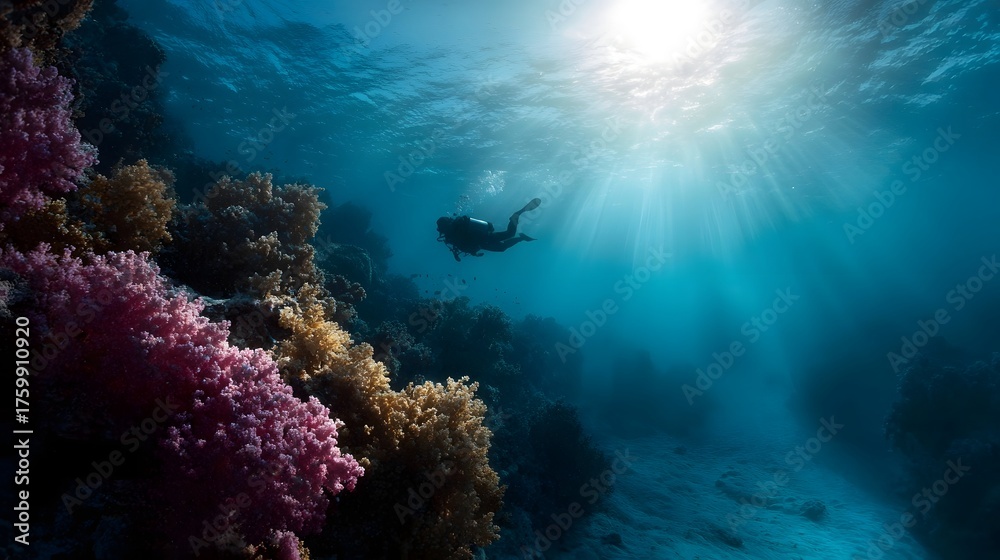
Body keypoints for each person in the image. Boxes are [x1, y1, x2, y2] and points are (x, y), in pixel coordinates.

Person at [436, 198, 541, 261]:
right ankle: (521, 238)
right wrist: (474, 252)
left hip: (484, 238)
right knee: (503, 247)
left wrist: (473, 251)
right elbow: (465, 244)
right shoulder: (451, 235)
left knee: (509, 235)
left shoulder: (452, 234)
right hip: (482, 241)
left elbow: (465, 243)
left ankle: (516, 215)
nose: (440, 230)